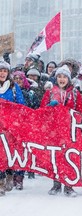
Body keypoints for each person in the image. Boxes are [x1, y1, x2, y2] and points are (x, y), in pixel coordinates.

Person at [40, 65, 82, 197]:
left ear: (69, 79)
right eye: (59, 76)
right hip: (54, 130)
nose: (62, 79)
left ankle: (69, 185)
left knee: (69, 157)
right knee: (56, 156)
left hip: (70, 129)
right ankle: (57, 183)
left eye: (64, 77)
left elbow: (80, 112)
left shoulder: (75, 94)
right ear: (56, 78)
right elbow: (42, 111)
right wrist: (49, 107)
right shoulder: (50, 93)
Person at [0, 61, 25, 196]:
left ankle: (10, 175)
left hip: (9, 128)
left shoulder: (14, 88)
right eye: (0, 70)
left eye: (4, 71)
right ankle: (1, 182)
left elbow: (21, 106)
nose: (2, 73)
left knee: (7, 154)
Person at [12, 71, 40, 187]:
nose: (18, 80)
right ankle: (11, 175)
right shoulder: (10, 91)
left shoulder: (31, 93)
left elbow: (35, 108)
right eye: (15, 78)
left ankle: (19, 176)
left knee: (22, 151)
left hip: (25, 125)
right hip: (11, 124)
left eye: (20, 78)